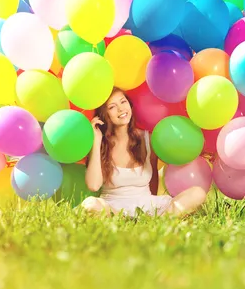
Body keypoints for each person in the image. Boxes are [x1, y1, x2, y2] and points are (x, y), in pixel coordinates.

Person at [81, 87, 207, 217]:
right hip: (114, 207)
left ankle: (157, 220)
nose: (121, 109)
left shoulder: (147, 138)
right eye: (112, 107)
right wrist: (96, 141)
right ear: (104, 114)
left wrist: (153, 206)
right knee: (90, 204)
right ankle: (131, 220)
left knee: (198, 193)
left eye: (123, 102)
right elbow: (93, 186)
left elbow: (152, 177)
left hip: (147, 204)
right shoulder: (99, 143)